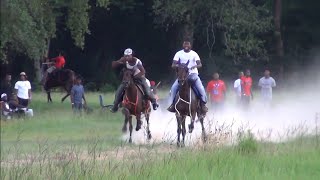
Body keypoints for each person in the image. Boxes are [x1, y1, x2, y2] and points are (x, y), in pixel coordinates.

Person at [110, 48, 159, 112]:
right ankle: (115, 106)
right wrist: (117, 63)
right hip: (128, 78)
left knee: (147, 91)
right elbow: (113, 65)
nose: (127, 57)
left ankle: (154, 102)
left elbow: (143, 71)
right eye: (125, 56)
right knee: (119, 91)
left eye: (128, 56)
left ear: (131, 55)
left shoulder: (137, 62)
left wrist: (135, 76)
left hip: (139, 77)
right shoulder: (124, 59)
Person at [167, 40, 208, 113]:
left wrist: (195, 66)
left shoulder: (194, 54)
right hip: (182, 75)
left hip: (193, 74)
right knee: (173, 88)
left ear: (190, 45)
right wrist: (179, 66)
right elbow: (173, 65)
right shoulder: (178, 53)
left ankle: (203, 104)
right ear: (183, 45)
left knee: (201, 88)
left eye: (188, 44)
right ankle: (173, 105)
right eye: (185, 44)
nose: (186, 46)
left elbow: (200, 64)